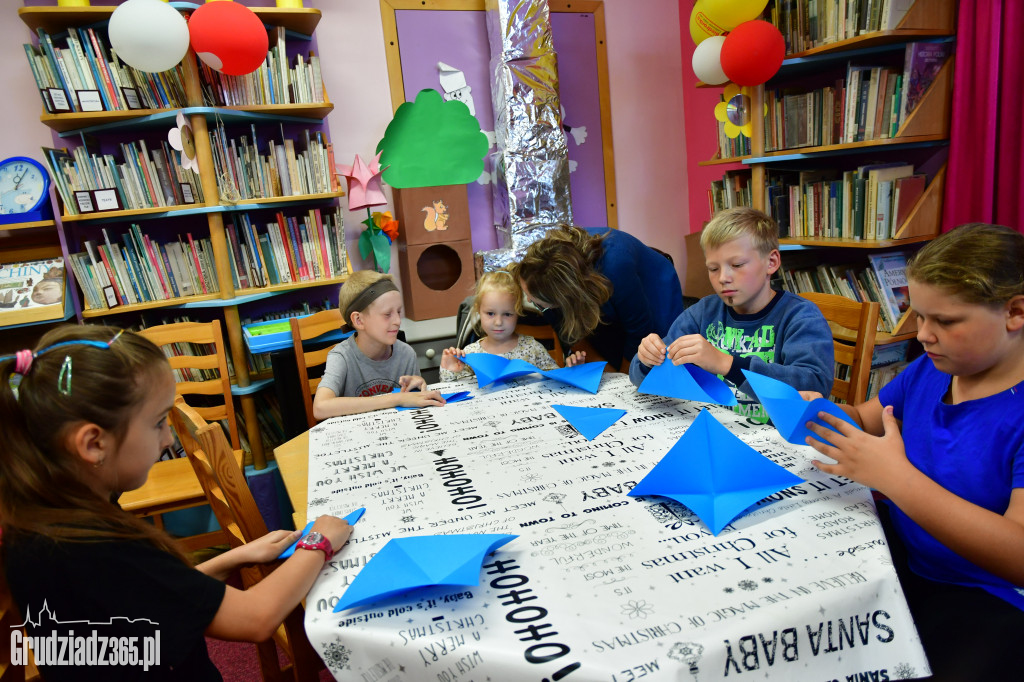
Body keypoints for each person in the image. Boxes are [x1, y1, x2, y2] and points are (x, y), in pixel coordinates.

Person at [0, 325, 353, 681]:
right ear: (93, 444)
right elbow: (256, 617)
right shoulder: (97, 546)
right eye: (157, 423)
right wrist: (318, 543)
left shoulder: (40, 519)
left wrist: (236, 556)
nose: (169, 437)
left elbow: (149, 593)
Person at [804, 223, 1024, 681]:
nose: (923, 334)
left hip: (989, 596)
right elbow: (868, 416)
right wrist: (823, 411)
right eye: (917, 315)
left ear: (1015, 312)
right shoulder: (932, 367)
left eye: (944, 321)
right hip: (903, 557)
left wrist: (895, 478)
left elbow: (1018, 555)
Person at [629, 207, 833, 421]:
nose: (723, 278)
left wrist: (727, 364)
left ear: (771, 262)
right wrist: (647, 360)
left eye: (737, 265)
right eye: (713, 268)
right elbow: (643, 378)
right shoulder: (702, 313)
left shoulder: (800, 317)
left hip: (776, 438)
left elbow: (814, 385)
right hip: (715, 429)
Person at [509, 225, 683, 370]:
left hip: (655, 290)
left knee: (655, 358)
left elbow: (640, 334)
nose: (529, 301)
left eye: (536, 301)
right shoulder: (542, 279)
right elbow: (571, 336)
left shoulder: (616, 266)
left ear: (563, 299)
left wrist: (624, 384)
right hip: (588, 287)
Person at [315, 271, 444, 418]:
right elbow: (320, 407)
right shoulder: (341, 357)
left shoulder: (407, 354)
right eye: (387, 314)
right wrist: (396, 399)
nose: (397, 321)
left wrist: (418, 387)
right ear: (359, 320)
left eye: (398, 312)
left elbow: (413, 408)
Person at [439, 269, 586, 382]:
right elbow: (459, 394)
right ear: (479, 311)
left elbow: (554, 382)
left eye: (507, 314)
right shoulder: (471, 353)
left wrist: (571, 370)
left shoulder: (532, 348)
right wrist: (450, 370)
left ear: (518, 313)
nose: (498, 322)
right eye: (490, 313)